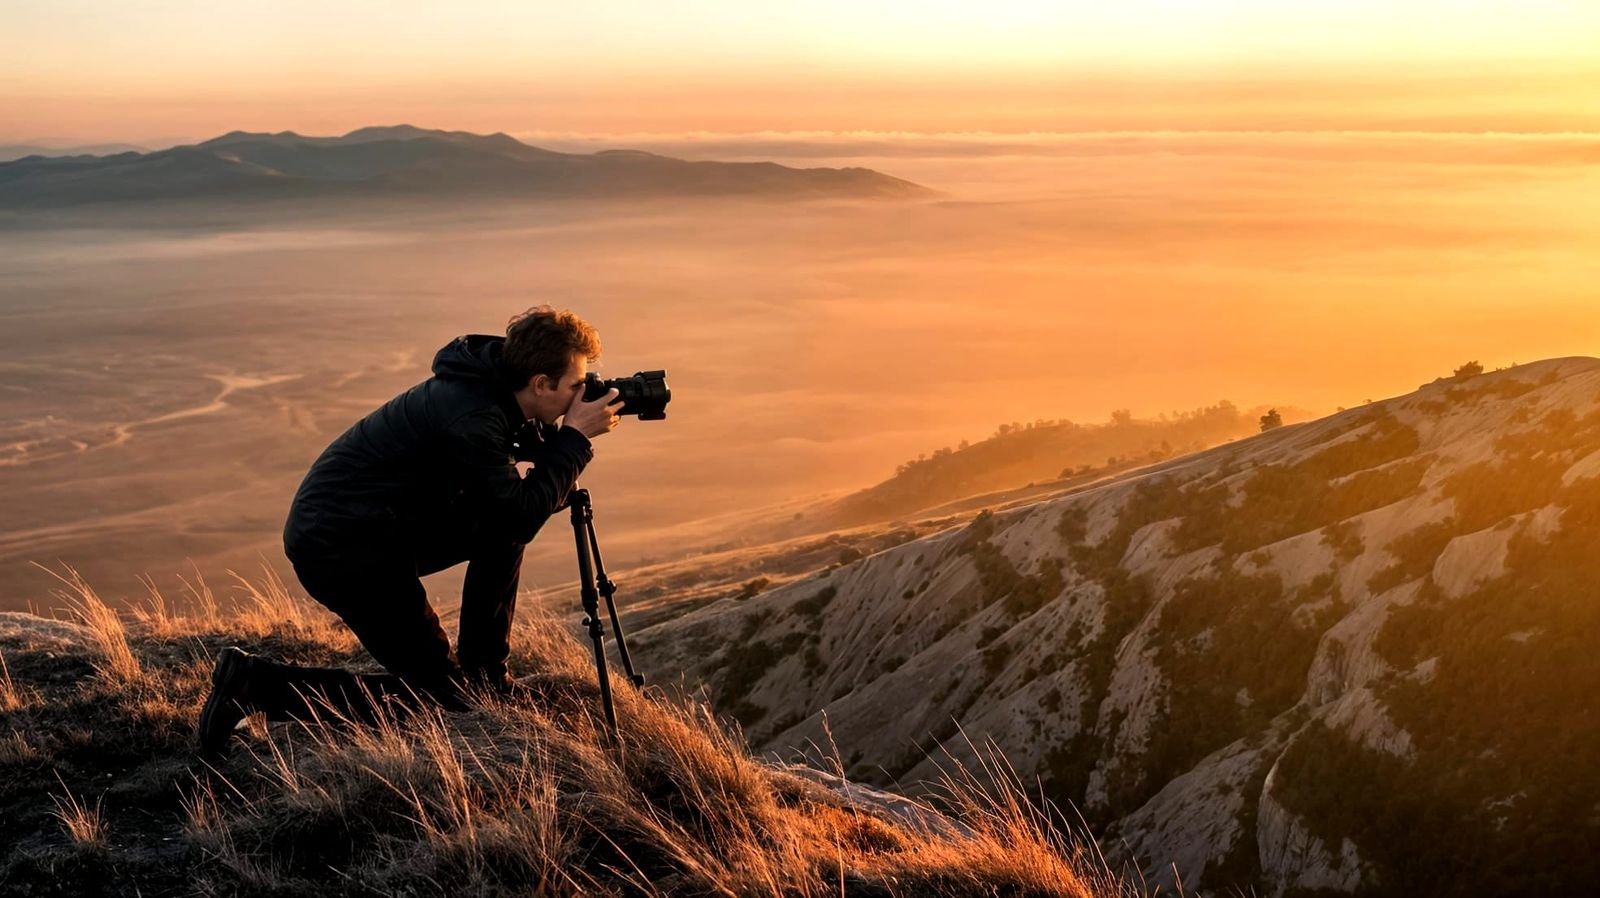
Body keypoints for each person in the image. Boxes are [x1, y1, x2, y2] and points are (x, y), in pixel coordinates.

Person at [197, 305, 623, 757]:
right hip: (342, 547)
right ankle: (255, 685)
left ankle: (486, 676)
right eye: (577, 385)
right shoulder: (473, 416)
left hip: (381, 527)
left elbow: (511, 516)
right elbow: (520, 513)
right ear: (540, 384)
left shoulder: (495, 391)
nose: (583, 394)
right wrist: (574, 439)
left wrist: (561, 445)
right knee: (438, 699)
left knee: (500, 527)